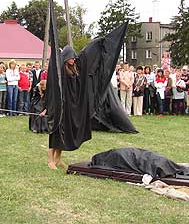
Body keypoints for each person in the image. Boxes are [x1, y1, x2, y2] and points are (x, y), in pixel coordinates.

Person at [47, 22, 128, 170]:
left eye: (74, 57)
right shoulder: (60, 72)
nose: (73, 60)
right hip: (61, 107)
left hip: (71, 107)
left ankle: (58, 159)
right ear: (65, 58)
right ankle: (50, 160)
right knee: (57, 133)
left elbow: (86, 54)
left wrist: (100, 42)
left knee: (66, 134)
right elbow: (53, 88)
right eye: (71, 58)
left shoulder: (76, 70)